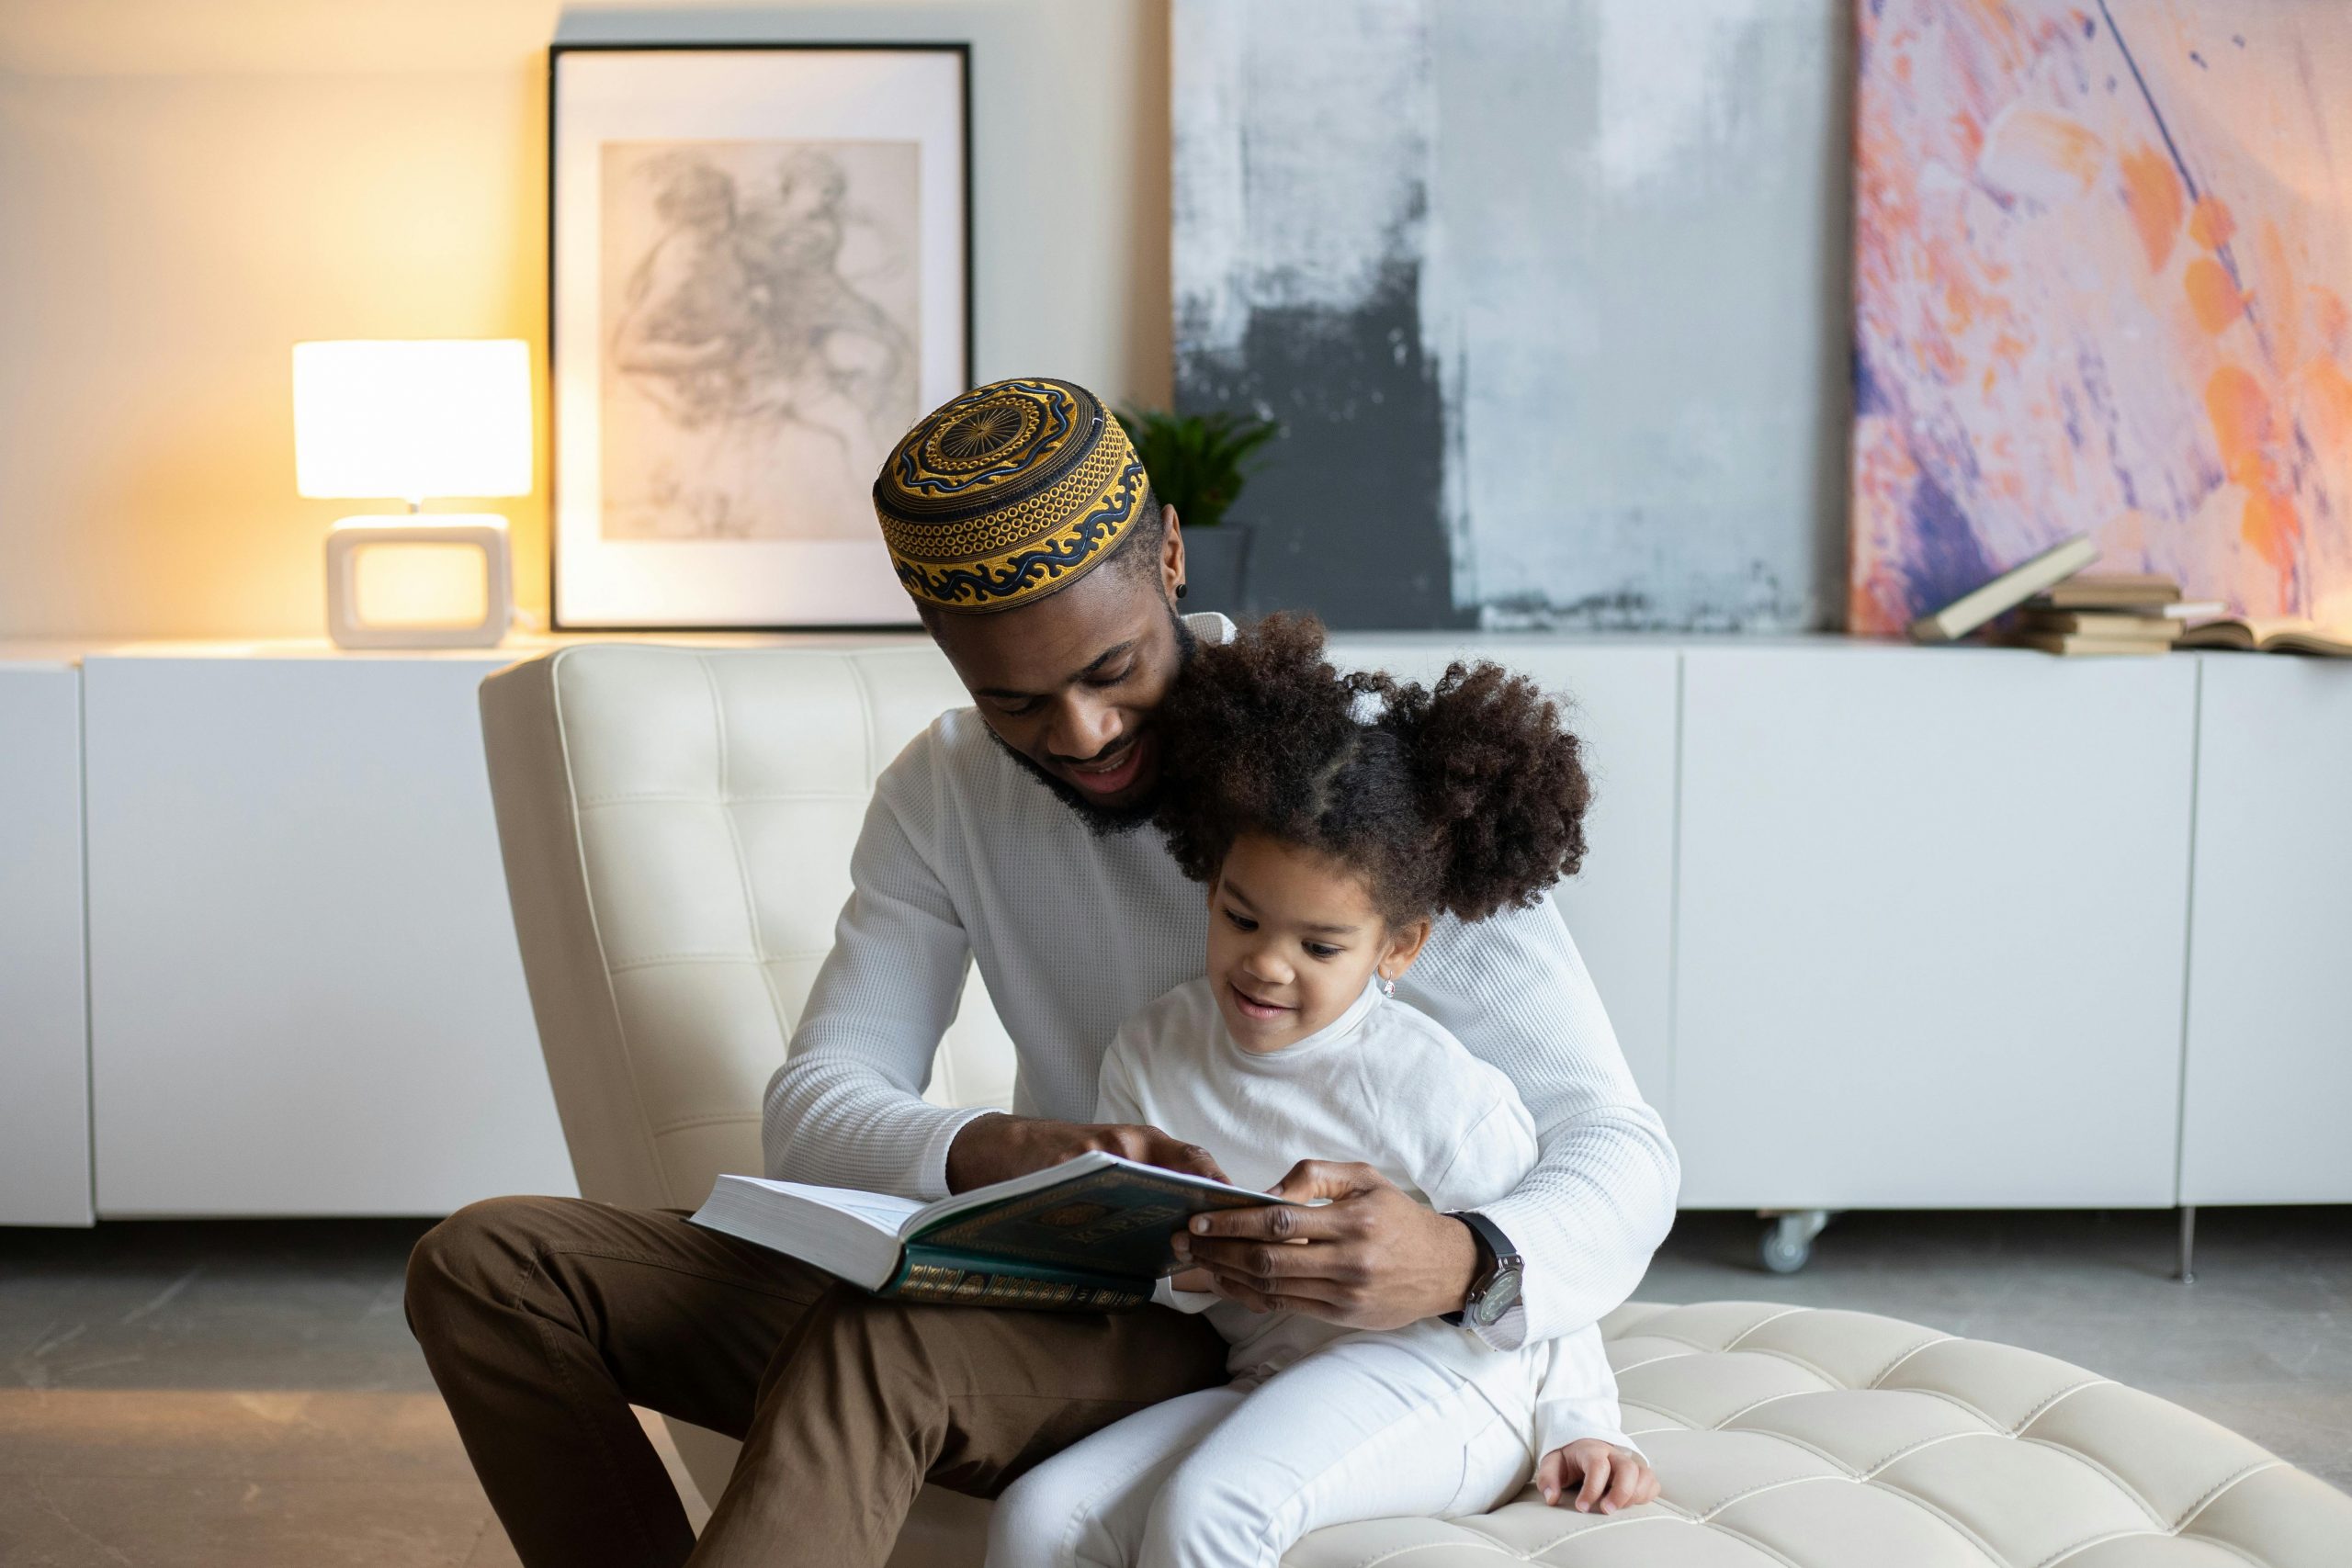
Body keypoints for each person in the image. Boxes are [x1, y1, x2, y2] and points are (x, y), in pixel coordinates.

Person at [405, 376, 1679, 1568]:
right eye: (1014, 699)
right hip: (1034, 1276)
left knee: (877, 1348)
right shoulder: (945, 789)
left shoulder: (1355, 793)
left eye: (1111, 668)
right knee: (486, 1264)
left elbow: (1615, 1142)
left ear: (1171, 557)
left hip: (1210, 1332)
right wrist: (1004, 1151)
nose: (1080, 734)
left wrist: (1465, 1259)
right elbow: (816, 1101)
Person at [986, 613, 1658, 1567]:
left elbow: (1540, 1272)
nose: (1265, 965)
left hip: (1449, 1383)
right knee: (1038, 1518)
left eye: (1320, 945)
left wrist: (1587, 1425)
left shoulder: (1428, 1083)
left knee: (1210, 1508)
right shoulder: (1147, 1052)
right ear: (1208, 883)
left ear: (1398, 948)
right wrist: (1186, 1264)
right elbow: (1159, 1283)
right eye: (1241, 917)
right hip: (1273, 1378)